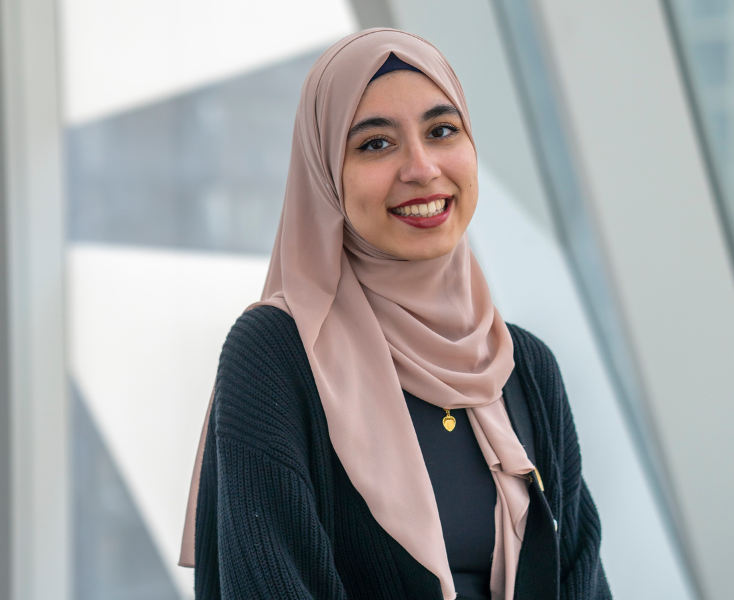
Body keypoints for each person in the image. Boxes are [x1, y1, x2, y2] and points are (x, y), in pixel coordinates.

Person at [179, 28, 611, 600]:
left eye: (441, 131)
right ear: (326, 175)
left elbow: (581, 583)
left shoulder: (524, 367)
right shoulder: (278, 354)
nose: (422, 167)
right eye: (376, 145)